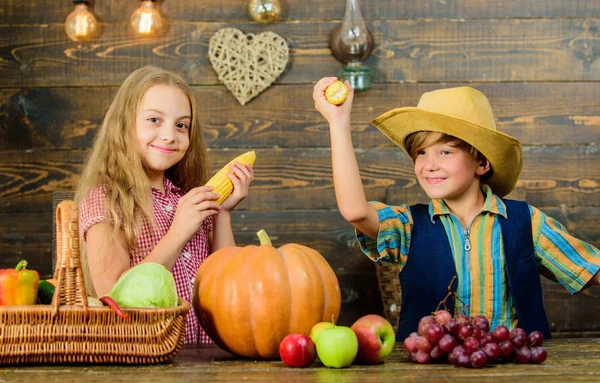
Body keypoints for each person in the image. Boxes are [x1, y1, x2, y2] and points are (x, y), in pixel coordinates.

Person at [313, 77, 600, 341]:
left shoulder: (528, 222)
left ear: (482, 163)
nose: (429, 164)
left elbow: (591, 269)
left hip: (513, 373)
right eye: (421, 153)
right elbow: (355, 212)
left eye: (445, 151)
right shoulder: (408, 226)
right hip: (428, 375)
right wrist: (338, 121)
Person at [76, 66, 254, 344]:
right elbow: (114, 294)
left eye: (181, 125)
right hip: (149, 354)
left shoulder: (183, 198)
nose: (170, 135)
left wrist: (223, 212)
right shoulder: (106, 199)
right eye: (154, 120)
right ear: (124, 124)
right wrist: (178, 232)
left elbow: (227, 279)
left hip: (207, 356)